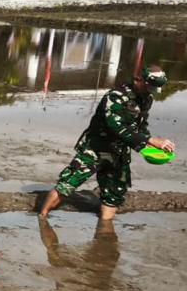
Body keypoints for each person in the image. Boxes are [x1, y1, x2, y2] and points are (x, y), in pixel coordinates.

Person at [38, 65, 175, 220]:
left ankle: (105, 226)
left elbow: (140, 126)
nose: (151, 91)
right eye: (149, 87)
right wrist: (149, 140)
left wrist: (147, 146)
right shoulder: (116, 96)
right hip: (95, 148)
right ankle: (42, 218)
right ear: (138, 80)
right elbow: (115, 126)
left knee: (114, 194)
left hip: (119, 152)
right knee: (68, 184)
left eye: (154, 89)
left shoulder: (146, 99)